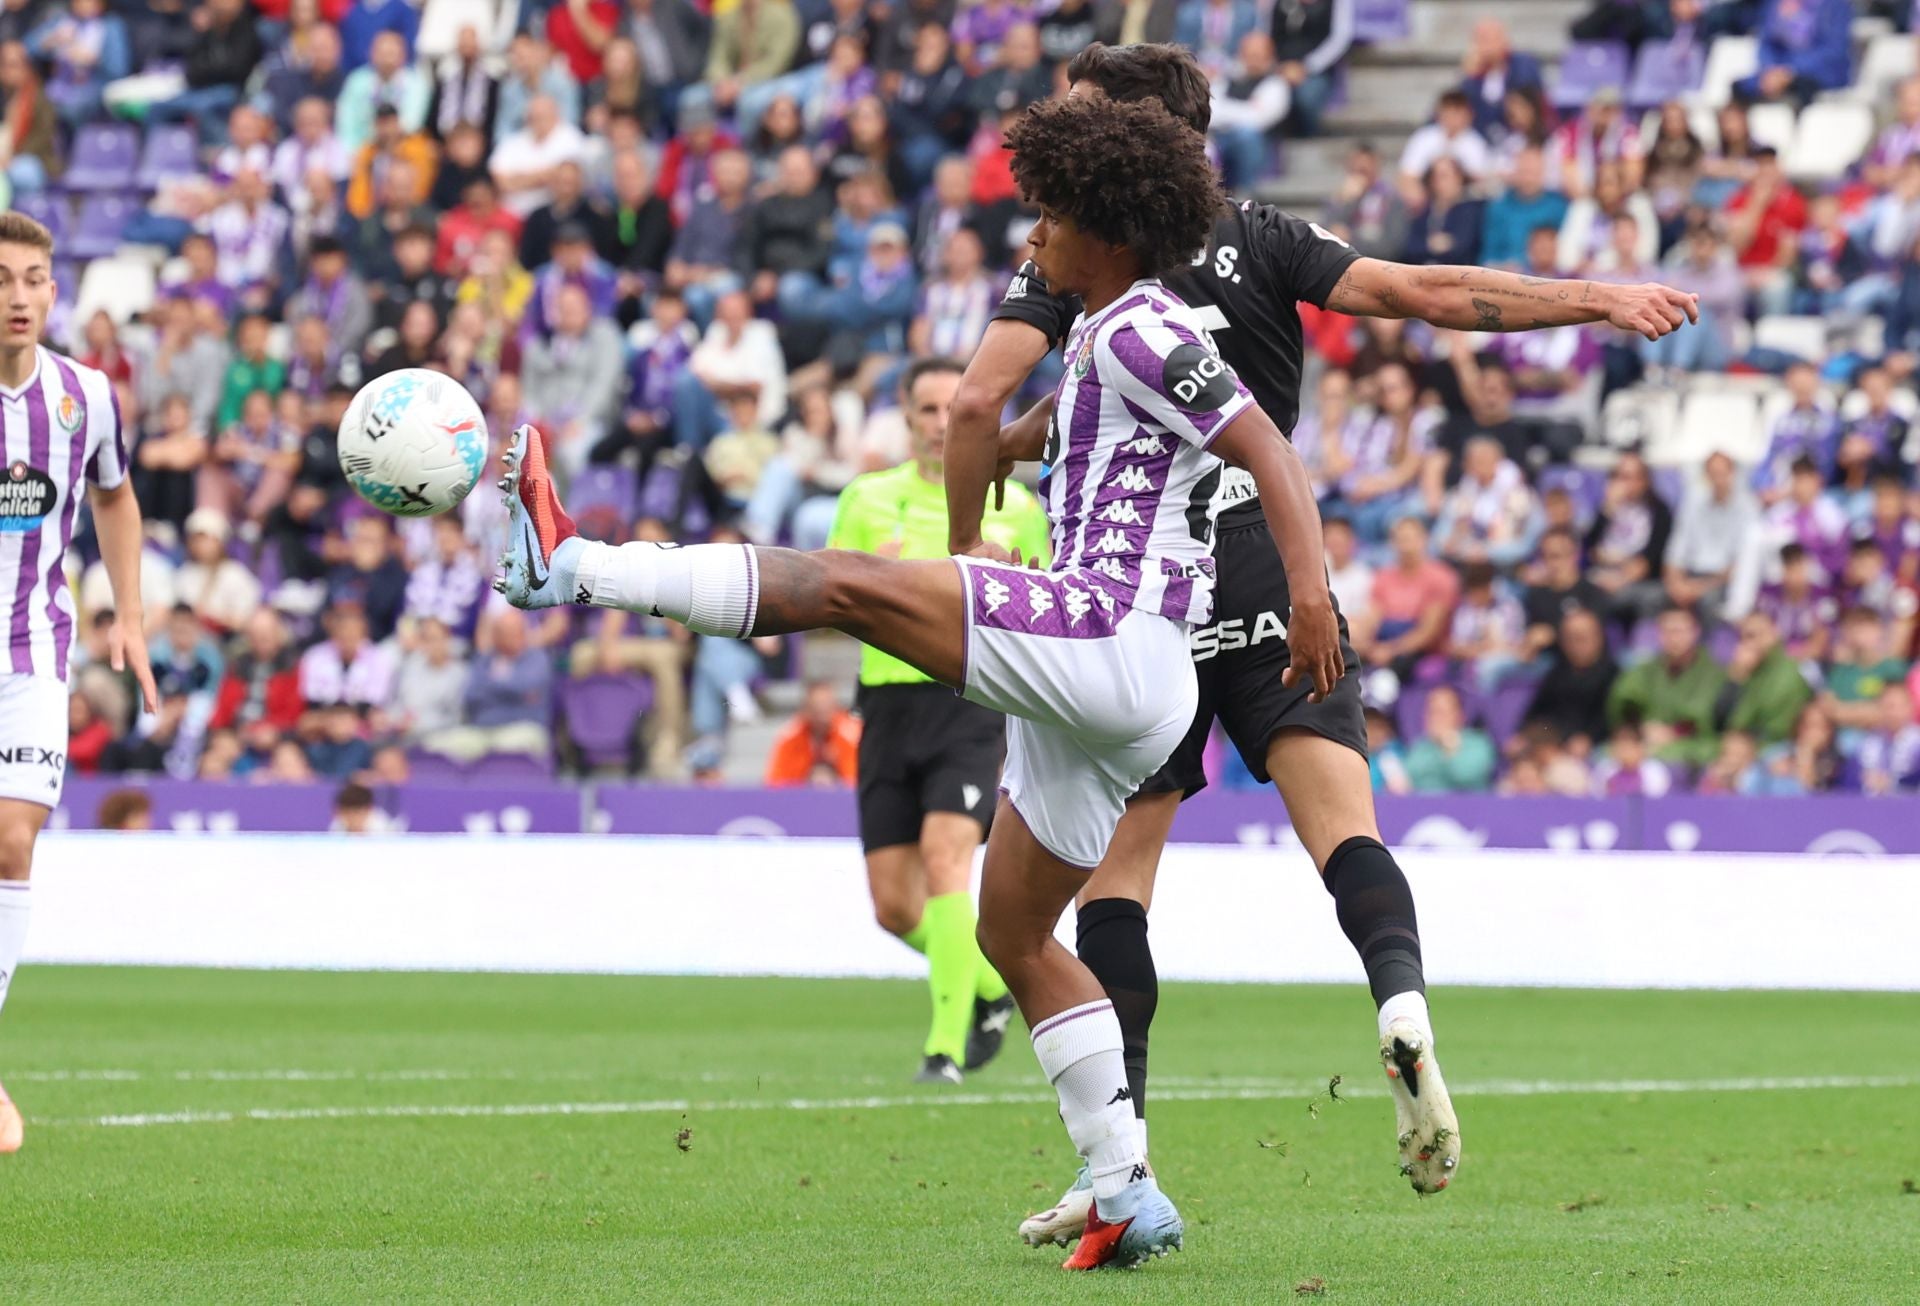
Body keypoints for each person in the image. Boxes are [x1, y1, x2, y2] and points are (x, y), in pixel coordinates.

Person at [499, 91, 1341, 1271]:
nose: (1030, 241)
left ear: (1103, 227)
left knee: (848, 582)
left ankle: (569, 564)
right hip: (1118, 674)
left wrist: (1308, 594)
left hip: (1112, 630)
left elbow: (1266, 450)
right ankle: (1125, 1187)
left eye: (1046, 218)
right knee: (1009, 926)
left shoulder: (1144, 327)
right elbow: (1042, 433)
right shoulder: (1113, 333)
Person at [946, 40, 1697, 1240]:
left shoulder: (1082, 256)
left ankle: (1118, 1165)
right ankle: (1399, 997)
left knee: (1121, 879)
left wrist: (980, 502)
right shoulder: (1265, 236)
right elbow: (1428, 296)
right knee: (1343, 827)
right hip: (1272, 565)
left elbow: (983, 403)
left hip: (1140, 585)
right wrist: (1597, 297)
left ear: (1126, 144)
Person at [826, 355, 1049, 1085]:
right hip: (886, 706)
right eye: (926, 409)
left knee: (949, 860)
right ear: (906, 416)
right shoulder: (866, 498)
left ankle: (944, 1052)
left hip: (969, 701)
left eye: (955, 408)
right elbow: (825, 602)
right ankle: (990, 988)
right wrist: (871, 577)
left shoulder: (1016, 508)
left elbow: (1049, 612)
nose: (940, 423)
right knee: (893, 907)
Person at [0, 212, 158, 1156]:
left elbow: (115, 495)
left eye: (32, 279)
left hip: (29, 655)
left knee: (13, 838)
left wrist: (130, 616)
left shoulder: (84, 397)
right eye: (1, 278)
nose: (16, 296)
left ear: (55, 291)